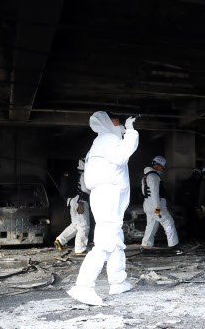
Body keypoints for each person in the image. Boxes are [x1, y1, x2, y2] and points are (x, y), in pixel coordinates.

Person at [67, 111, 139, 306]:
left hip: (105, 194)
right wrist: (131, 133)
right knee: (106, 241)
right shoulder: (107, 139)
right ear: (108, 123)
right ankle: (83, 286)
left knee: (115, 239)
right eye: (118, 122)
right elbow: (121, 157)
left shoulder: (99, 142)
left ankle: (118, 282)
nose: (121, 125)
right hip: (108, 195)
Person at [54, 159, 91, 257]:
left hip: (72, 201)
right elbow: (84, 188)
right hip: (80, 201)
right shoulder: (83, 174)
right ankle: (80, 249)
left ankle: (60, 240)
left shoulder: (76, 173)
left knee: (76, 224)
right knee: (84, 225)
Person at [141, 156, 179, 248]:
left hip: (148, 205)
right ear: (158, 165)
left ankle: (146, 246)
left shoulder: (145, 176)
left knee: (151, 226)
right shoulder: (154, 176)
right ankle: (173, 245)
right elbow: (154, 193)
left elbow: (144, 192)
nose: (162, 168)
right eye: (161, 166)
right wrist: (157, 208)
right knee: (168, 222)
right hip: (156, 205)